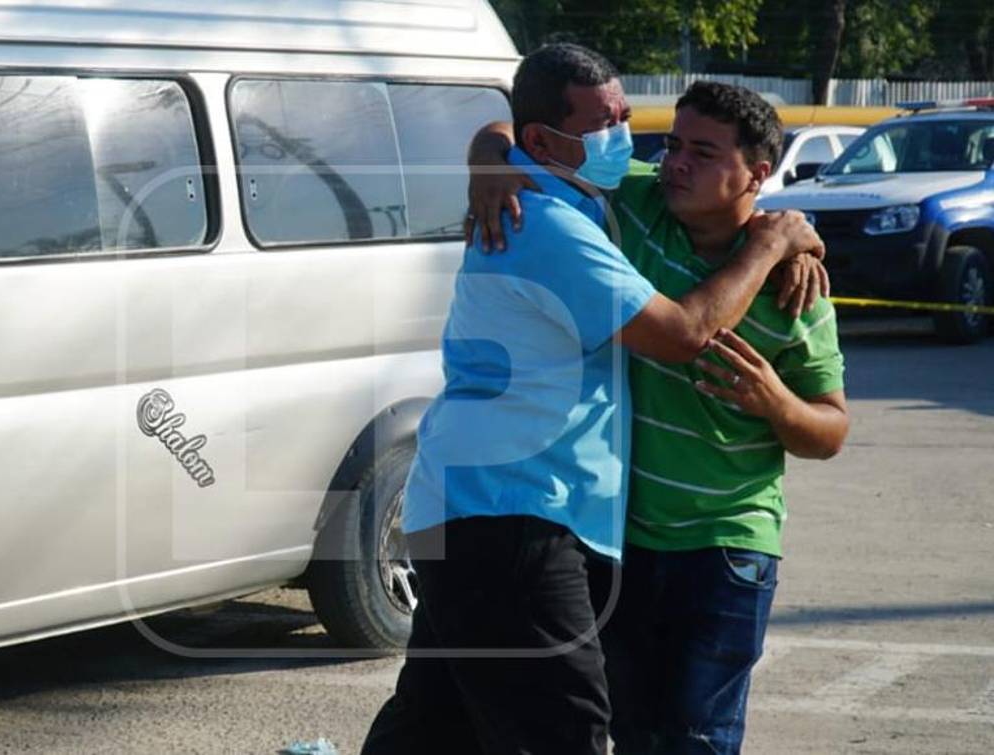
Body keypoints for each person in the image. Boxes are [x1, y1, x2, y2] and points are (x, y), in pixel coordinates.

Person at [360, 45, 824, 755]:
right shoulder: (545, 225)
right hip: (517, 516)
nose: (629, 139)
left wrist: (488, 150)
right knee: (565, 730)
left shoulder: (583, 200)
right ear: (544, 143)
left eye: (627, 117)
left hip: (479, 512)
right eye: (605, 122)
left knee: (434, 727)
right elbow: (685, 333)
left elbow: (504, 129)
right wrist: (770, 245)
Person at [464, 80, 850, 754]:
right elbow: (514, 131)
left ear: (758, 173)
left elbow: (831, 429)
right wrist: (489, 161)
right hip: (627, 542)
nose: (675, 162)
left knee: (696, 738)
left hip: (728, 547)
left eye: (702, 152)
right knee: (630, 729)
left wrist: (776, 402)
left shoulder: (796, 291)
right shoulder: (637, 205)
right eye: (672, 144)